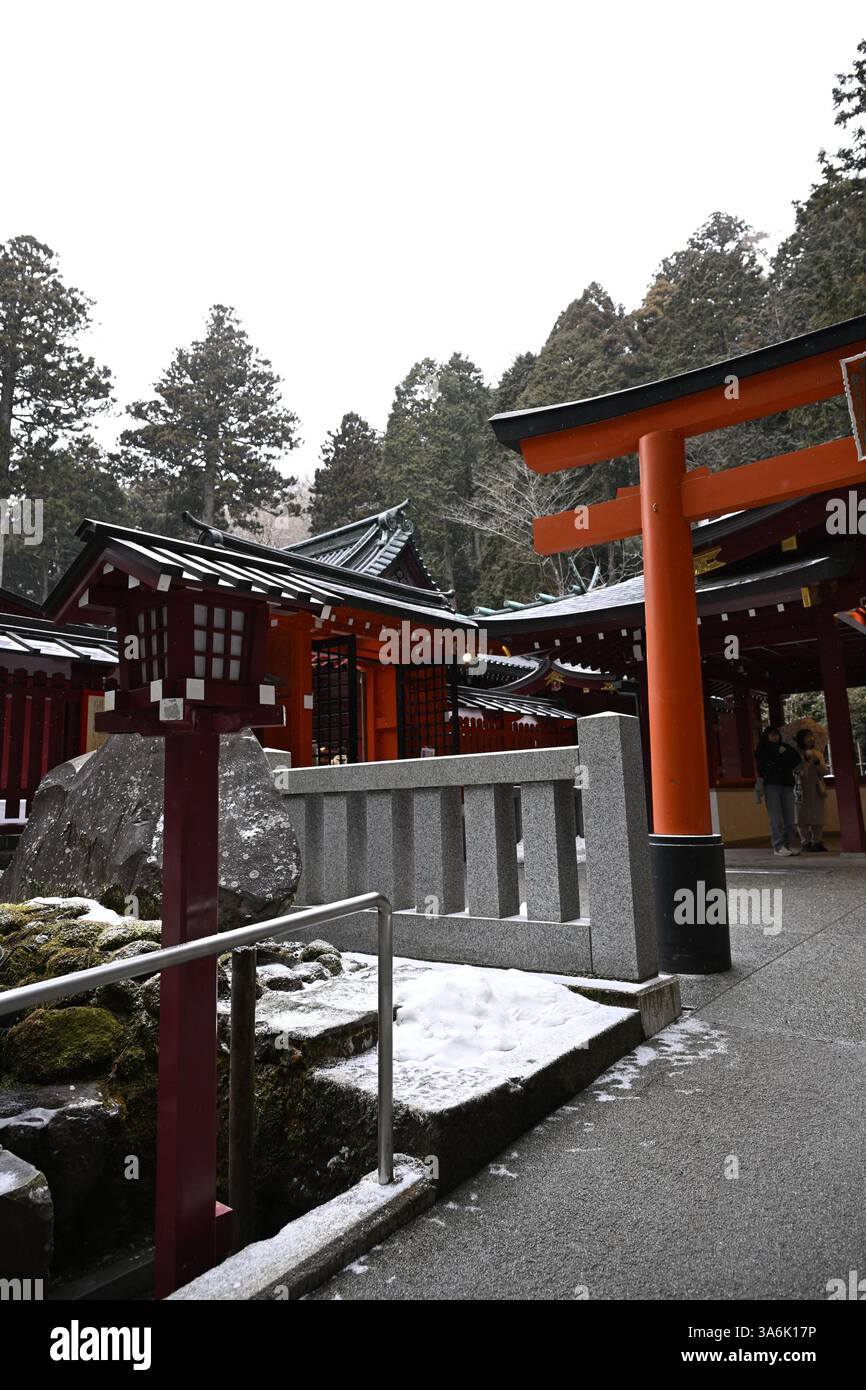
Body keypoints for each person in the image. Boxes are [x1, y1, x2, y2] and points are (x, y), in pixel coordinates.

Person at [754, 727, 802, 856]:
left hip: (787, 784)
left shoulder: (785, 747)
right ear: (766, 736)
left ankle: (789, 844)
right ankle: (778, 845)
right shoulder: (762, 749)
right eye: (772, 735)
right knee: (776, 818)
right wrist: (778, 753)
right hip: (771, 785)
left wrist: (782, 754)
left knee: (790, 818)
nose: (775, 737)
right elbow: (763, 764)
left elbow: (796, 759)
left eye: (776, 735)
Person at [794, 728, 828, 852]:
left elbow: (824, 772)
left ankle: (817, 841)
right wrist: (805, 761)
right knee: (801, 816)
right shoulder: (795, 753)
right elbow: (795, 771)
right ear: (801, 739)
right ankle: (805, 842)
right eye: (807, 737)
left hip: (816, 787)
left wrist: (817, 763)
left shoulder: (818, 753)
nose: (811, 739)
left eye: (811, 736)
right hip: (800, 787)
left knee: (818, 815)